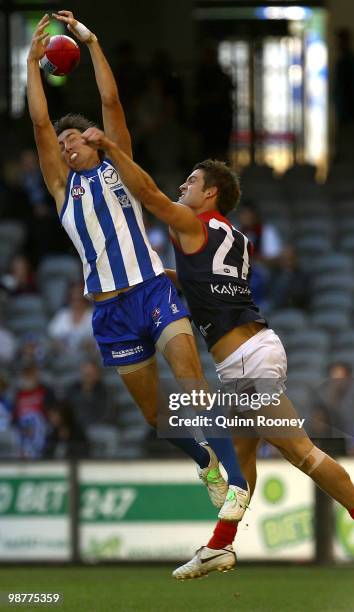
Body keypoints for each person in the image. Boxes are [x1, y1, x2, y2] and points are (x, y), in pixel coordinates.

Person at [82, 129, 354, 581]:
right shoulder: (231, 235)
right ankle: (220, 547)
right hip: (251, 354)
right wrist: (155, 276)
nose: (181, 188)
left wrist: (111, 149)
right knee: (241, 460)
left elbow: (148, 194)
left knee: (302, 453)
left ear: (210, 192)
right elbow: (204, 286)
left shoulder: (193, 225)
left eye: (190, 182)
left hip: (247, 360)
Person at [26, 12, 249, 520]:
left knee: (192, 380)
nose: (65, 145)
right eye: (61, 146)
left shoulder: (117, 168)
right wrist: (31, 66)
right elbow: (40, 123)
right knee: (155, 416)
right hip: (109, 313)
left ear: (92, 140)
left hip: (150, 289)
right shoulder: (63, 189)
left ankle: (236, 485)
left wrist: (91, 41)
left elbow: (110, 103)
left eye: (73, 139)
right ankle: (206, 464)